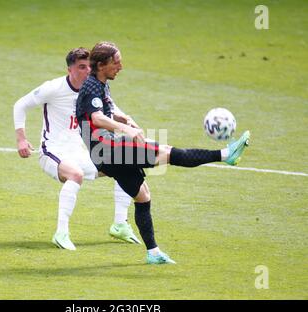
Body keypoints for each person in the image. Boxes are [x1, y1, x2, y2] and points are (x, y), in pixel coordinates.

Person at [76, 42, 250, 264]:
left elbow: (102, 111)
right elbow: (96, 118)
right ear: (101, 65)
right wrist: (126, 129)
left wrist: (123, 118)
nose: (120, 66)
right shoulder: (91, 86)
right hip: (108, 150)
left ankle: (153, 253)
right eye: (116, 62)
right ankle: (226, 154)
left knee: (143, 196)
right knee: (167, 152)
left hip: (104, 155)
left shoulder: (100, 84)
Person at [13, 47, 141, 251]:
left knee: (125, 164)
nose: (86, 71)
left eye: (89, 66)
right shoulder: (53, 88)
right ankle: (61, 233)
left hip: (80, 150)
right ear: (69, 69)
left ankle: (119, 224)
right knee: (75, 174)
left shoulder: (93, 88)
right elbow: (20, 105)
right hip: (52, 151)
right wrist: (21, 139)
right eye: (81, 67)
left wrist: (128, 121)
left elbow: (112, 111)